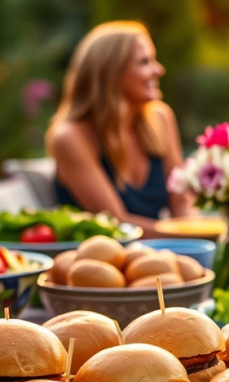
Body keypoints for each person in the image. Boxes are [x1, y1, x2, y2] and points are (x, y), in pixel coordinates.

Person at [47, 21, 192, 235]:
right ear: (110, 72)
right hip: (98, 262)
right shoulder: (70, 137)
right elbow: (118, 225)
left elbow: (180, 204)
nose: (158, 70)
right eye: (145, 62)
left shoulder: (160, 118)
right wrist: (194, 234)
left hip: (157, 254)